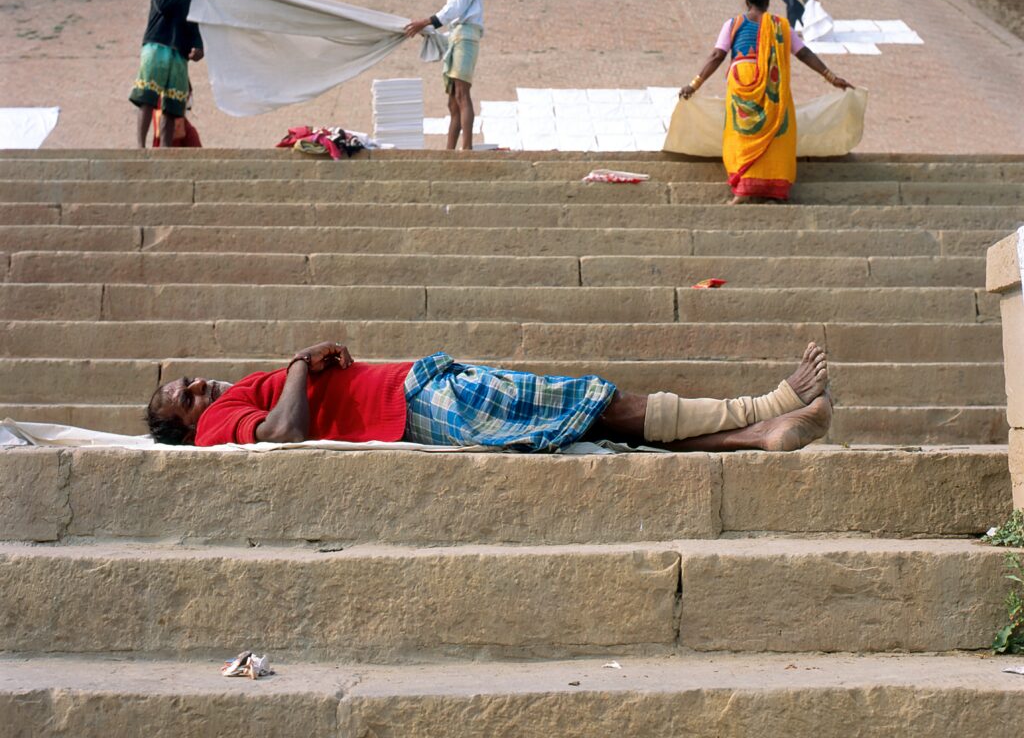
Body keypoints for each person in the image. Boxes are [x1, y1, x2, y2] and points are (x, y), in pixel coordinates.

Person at [145, 339, 833, 454]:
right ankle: (764, 405)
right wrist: (300, 359)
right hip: (421, 403)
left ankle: (758, 437)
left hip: (423, 392)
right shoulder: (219, 428)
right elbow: (283, 437)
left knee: (595, 426)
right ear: (185, 425)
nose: (198, 385)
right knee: (598, 403)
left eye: (189, 379)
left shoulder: (229, 398)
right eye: (185, 395)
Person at [678, 0, 853, 205]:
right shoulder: (781, 26)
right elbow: (804, 53)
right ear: (768, 2)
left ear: (747, 1)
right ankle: (775, 191)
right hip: (774, 85)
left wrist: (694, 84)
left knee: (743, 133)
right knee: (776, 135)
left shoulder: (733, 24)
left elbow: (716, 56)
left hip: (742, 81)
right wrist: (831, 77)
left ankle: (742, 191)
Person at [404, 0, 484, 150]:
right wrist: (429, 29)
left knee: (462, 94)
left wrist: (426, 21)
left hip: (464, 38)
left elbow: (455, 9)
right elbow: (455, 19)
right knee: (453, 101)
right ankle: (449, 150)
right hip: (457, 36)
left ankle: (466, 148)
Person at [129, 0, 206, 149]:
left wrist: (198, 47)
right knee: (148, 96)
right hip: (157, 46)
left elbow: (195, 25)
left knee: (172, 104)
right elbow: (163, 4)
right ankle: (140, 146)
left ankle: (165, 149)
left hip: (179, 53)